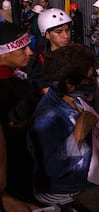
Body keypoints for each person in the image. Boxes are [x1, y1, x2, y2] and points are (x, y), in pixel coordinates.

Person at [27, 44, 99, 211]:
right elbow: (52, 167)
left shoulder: (75, 97)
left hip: (92, 182)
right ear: (69, 84)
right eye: (90, 77)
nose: (94, 81)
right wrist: (78, 134)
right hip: (70, 195)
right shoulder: (47, 119)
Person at [0, 22, 39, 211]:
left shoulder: (16, 78)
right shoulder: (4, 90)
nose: (30, 52)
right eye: (23, 49)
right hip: (12, 180)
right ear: (3, 53)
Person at [29, 8, 72, 96]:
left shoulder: (78, 53)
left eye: (67, 30)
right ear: (47, 35)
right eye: (59, 32)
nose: (65, 36)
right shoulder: (41, 61)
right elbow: (41, 85)